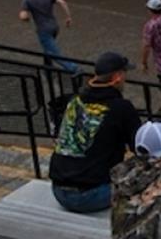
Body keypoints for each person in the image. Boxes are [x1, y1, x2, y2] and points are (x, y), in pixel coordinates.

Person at [50, 51, 142, 213]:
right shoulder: (121, 107)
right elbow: (140, 148)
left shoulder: (74, 100)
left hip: (58, 189)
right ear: (117, 77)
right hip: (92, 194)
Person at [19, 0, 78, 73]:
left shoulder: (28, 0)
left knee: (53, 52)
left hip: (43, 29)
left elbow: (23, 15)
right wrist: (68, 17)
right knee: (48, 47)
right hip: (54, 27)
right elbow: (62, 2)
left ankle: (73, 68)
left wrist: (26, 18)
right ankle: (47, 66)